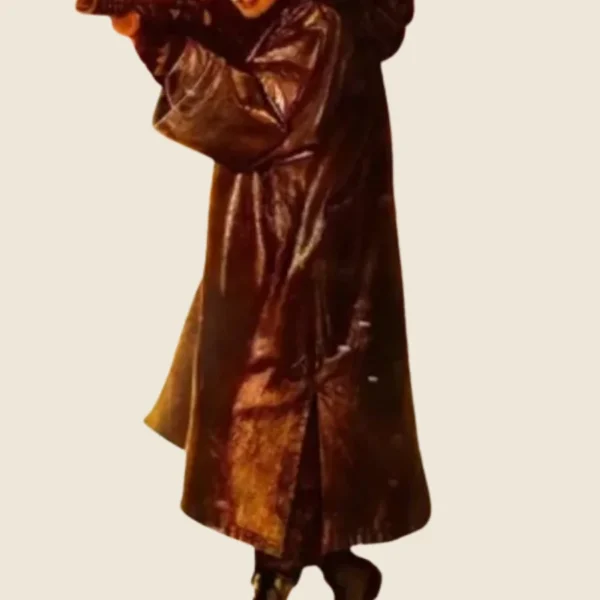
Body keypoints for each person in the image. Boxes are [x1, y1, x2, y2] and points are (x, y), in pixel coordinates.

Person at [110, 0, 430, 597]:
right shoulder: (313, 17)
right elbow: (227, 19)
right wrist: (154, 21)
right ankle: (315, 551)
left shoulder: (319, 22)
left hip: (303, 236)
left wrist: (162, 46)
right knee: (301, 391)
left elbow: (256, 115)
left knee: (284, 390)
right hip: (300, 226)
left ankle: (293, 556)